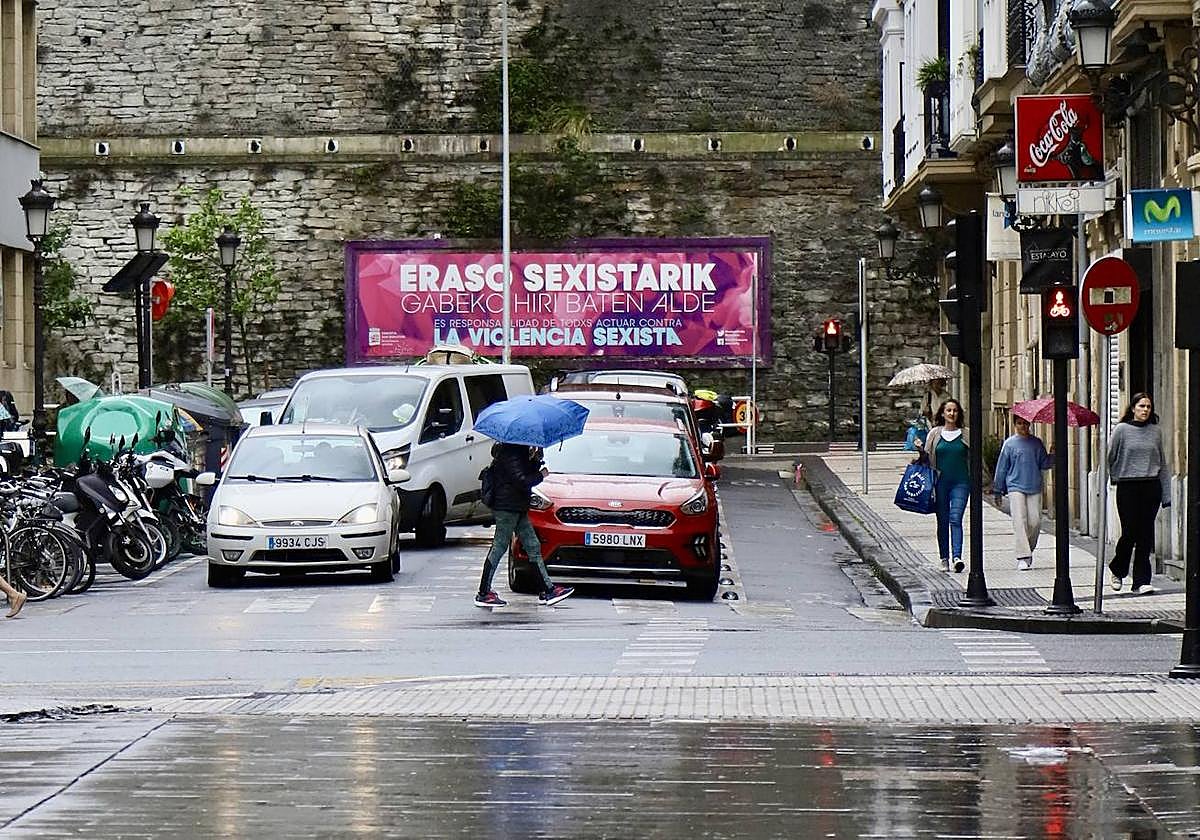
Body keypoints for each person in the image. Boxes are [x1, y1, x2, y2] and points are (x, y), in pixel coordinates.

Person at [475, 442, 574, 608]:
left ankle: (548, 590)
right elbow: (521, 480)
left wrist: (536, 459)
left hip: (517, 506)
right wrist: (540, 474)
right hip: (507, 507)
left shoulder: (518, 450)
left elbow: (523, 473)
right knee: (499, 546)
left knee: (533, 545)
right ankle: (484, 593)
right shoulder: (511, 451)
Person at [1107, 393, 1171, 594]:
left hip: (1150, 486)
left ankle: (1141, 581)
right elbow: (1110, 457)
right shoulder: (1121, 430)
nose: (1145, 410)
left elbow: (1162, 463)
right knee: (1129, 533)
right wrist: (1115, 477)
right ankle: (1117, 569)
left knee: (1145, 535)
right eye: (1141, 406)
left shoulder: (1155, 432)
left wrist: (1166, 494)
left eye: (1148, 407)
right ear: (1133, 408)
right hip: (1128, 487)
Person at [992, 416, 1053, 571]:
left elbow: (1044, 463)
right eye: (1019, 423)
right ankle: (1023, 556)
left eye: (1025, 423)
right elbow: (1002, 468)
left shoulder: (1036, 443)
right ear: (1015, 425)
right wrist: (998, 490)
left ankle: (1028, 550)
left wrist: (1053, 454)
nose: (1023, 426)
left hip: (1034, 486)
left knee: (1035, 521)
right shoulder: (1009, 444)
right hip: (1015, 487)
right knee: (1020, 521)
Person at [916, 399, 969, 573]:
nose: (952, 413)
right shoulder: (935, 434)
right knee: (943, 520)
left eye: (955, 410)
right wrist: (920, 451)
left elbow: (975, 459)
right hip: (939, 483)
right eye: (948, 410)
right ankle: (944, 557)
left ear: (959, 413)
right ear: (942, 413)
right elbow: (927, 459)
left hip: (961, 482)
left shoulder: (966, 434)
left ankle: (957, 557)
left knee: (956, 518)